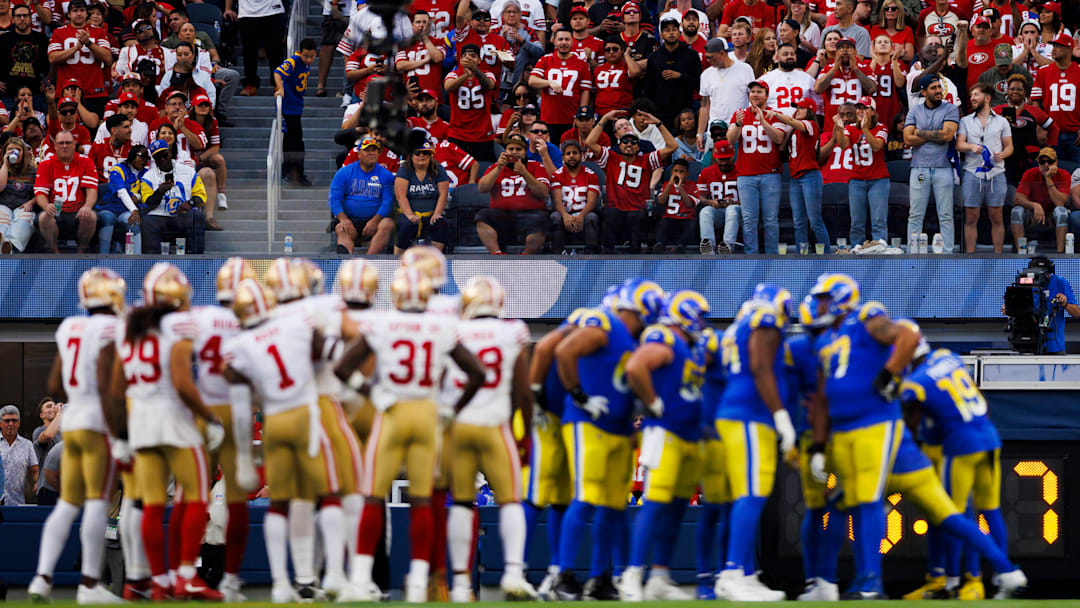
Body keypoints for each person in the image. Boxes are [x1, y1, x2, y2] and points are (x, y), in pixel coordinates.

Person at [333, 268, 485, 603]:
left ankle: (359, 578)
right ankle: (418, 581)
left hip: (393, 413)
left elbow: (342, 368)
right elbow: (477, 373)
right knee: (421, 500)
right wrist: (452, 409)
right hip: (428, 415)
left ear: (397, 295)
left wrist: (372, 393)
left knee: (372, 496)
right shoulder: (442, 326)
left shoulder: (381, 323)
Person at [108, 264, 225, 600]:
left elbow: (116, 389)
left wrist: (120, 436)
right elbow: (182, 380)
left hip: (140, 423)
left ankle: (155, 581)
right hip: (172, 419)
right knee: (197, 492)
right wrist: (209, 417)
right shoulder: (178, 325)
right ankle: (186, 574)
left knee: (151, 504)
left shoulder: (128, 327)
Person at [805, 273, 920, 599]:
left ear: (841, 296)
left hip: (873, 423)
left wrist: (888, 372)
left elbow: (909, 336)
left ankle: (872, 583)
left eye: (825, 297)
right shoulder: (826, 338)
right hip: (842, 430)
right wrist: (818, 444)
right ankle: (859, 580)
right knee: (849, 503)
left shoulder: (867, 316)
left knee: (868, 500)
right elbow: (823, 395)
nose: (819, 304)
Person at [551, 279, 665, 601]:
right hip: (588, 422)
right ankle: (564, 574)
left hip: (617, 426)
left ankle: (600, 578)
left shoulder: (630, 339)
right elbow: (564, 350)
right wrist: (579, 396)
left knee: (614, 505)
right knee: (587, 495)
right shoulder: (605, 322)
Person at [27, 268, 126, 604]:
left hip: (73, 421)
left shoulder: (70, 327)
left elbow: (55, 383)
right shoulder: (113, 328)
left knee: (68, 505)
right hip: (98, 422)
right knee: (98, 504)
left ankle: (41, 578)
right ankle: (88, 585)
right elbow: (113, 380)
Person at [442, 276, 538, 601]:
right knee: (511, 499)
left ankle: (458, 583)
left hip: (460, 424)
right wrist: (523, 432)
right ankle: (513, 572)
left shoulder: (453, 331)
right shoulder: (513, 331)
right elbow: (522, 392)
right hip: (495, 425)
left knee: (462, 503)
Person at [619, 291, 708, 601]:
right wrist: (652, 403)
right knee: (655, 504)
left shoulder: (689, 346)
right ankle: (631, 575)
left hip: (688, 435)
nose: (703, 322)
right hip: (665, 433)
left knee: (675, 508)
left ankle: (659, 575)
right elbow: (635, 367)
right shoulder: (665, 337)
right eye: (700, 315)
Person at [712, 284, 794, 601]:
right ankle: (733, 573)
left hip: (736, 412)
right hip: (749, 414)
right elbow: (760, 367)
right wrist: (781, 415)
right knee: (753, 493)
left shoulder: (737, 326)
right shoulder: (765, 319)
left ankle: (742, 572)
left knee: (744, 497)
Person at [585, 110, 677, 254]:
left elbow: (673, 146)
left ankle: (636, 258)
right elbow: (589, 142)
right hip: (615, 208)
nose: (629, 144)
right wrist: (603, 120)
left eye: (633, 142)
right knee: (610, 214)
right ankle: (606, 258)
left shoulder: (647, 160)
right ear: (619, 144)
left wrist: (658, 123)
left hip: (637, 209)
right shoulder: (611, 157)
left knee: (637, 217)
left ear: (638, 146)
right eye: (625, 141)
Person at [728, 80, 790, 254]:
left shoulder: (775, 114)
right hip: (746, 174)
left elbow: (779, 138)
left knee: (770, 219)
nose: (755, 94)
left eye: (759, 92)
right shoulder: (739, 115)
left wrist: (763, 120)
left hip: (770, 173)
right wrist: (738, 125)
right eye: (752, 91)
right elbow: (730, 140)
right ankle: (751, 255)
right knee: (749, 219)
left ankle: (772, 255)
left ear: (766, 95)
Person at [904, 74, 960, 254]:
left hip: (943, 168)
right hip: (919, 168)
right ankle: (913, 253)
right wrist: (934, 135)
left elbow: (947, 136)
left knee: (945, 214)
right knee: (915, 214)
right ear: (923, 91)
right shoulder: (914, 110)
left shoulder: (950, 109)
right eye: (934, 88)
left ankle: (948, 252)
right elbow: (907, 138)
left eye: (939, 87)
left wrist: (919, 132)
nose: (938, 91)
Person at [958, 82, 1013, 253]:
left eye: (976, 94)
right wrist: (971, 147)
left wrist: (1003, 154)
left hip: (996, 172)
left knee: (996, 216)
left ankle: (997, 255)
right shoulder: (965, 121)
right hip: (972, 172)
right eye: (972, 95)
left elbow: (1010, 146)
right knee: (971, 217)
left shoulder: (1002, 121)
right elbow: (959, 144)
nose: (972, 98)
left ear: (987, 98)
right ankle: (971, 255)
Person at [476, 133, 551, 255]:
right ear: (505, 151)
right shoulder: (495, 167)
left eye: (518, 149)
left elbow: (543, 192)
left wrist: (524, 173)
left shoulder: (536, 166)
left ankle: (526, 256)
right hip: (502, 216)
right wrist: (499, 167)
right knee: (482, 216)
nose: (514, 152)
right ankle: (497, 254)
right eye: (511, 149)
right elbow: (482, 188)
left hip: (530, 215)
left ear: (525, 152)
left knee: (542, 219)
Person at [776, 98, 831, 251]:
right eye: (797, 108)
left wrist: (777, 115)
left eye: (801, 108)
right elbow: (782, 148)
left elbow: (800, 125)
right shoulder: (794, 129)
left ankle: (826, 254)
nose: (798, 110)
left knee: (815, 220)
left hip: (809, 175)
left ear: (810, 111)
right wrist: (788, 127)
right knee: (798, 221)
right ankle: (803, 254)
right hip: (795, 177)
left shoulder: (811, 125)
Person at [136, 139, 206, 254]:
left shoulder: (188, 172)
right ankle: (152, 264)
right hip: (159, 217)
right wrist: (160, 192)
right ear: (154, 160)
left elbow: (201, 196)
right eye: (158, 157)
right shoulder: (148, 177)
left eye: (164, 155)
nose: (163, 159)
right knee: (146, 221)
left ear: (170, 153)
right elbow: (148, 203)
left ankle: (196, 259)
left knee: (197, 216)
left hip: (182, 216)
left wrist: (189, 204)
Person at [328, 135, 395, 254]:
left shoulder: (386, 175)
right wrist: (343, 219)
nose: (371, 153)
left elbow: (388, 202)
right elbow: (334, 199)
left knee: (388, 224)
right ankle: (345, 260)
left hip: (375, 220)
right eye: (367, 150)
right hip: (351, 220)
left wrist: (375, 221)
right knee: (341, 228)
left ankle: (368, 261)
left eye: (374, 150)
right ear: (359, 154)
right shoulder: (344, 173)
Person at [34, 130, 98, 253]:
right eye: (61, 143)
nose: (65, 146)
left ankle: (81, 252)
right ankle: (55, 252)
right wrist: (47, 206)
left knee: (90, 216)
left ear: (74, 144)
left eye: (68, 142)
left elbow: (92, 190)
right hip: (56, 211)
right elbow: (40, 193)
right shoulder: (45, 164)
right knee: (43, 217)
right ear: (55, 146)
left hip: (78, 210)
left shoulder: (86, 162)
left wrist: (87, 206)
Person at [47, 0, 112, 118]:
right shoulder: (59, 32)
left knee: (93, 130)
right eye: (75, 10)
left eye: (82, 10)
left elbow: (108, 59)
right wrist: (75, 48)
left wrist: (88, 43)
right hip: (66, 91)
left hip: (93, 91)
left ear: (87, 13)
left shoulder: (99, 31)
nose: (79, 13)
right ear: (69, 14)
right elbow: (52, 58)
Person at [840, 96, 891, 245]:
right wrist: (838, 128)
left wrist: (865, 129)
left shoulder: (882, 127)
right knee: (856, 222)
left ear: (873, 112)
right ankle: (857, 252)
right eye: (859, 108)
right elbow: (843, 145)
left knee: (879, 221)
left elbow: (876, 146)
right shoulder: (850, 128)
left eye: (865, 108)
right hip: (857, 180)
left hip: (878, 179)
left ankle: (879, 252)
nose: (860, 111)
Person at [529, 29, 593, 141]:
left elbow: (585, 91)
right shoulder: (546, 59)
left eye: (567, 39)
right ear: (554, 41)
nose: (564, 42)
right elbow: (532, 80)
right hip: (548, 118)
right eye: (560, 39)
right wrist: (549, 82)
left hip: (570, 118)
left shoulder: (581, 63)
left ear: (572, 41)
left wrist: (579, 116)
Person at [995, 74, 1056, 184]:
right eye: (1012, 89)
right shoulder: (997, 111)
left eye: (1019, 89)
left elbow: (1054, 128)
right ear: (1007, 91)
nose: (1015, 92)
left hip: (1030, 158)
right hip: (1006, 158)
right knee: (1009, 192)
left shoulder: (1034, 111)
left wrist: (1049, 149)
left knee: (1030, 189)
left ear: (1025, 92)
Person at [444, 43, 499, 162]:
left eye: (473, 56)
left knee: (485, 171)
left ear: (479, 60)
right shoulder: (454, 74)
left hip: (482, 135)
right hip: (458, 134)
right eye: (466, 56)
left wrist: (475, 71)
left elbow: (490, 85)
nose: (469, 59)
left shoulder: (487, 73)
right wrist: (465, 76)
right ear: (460, 59)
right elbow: (448, 87)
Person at [274, 38, 317, 186]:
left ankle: (295, 172)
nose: (309, 59)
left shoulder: (306, 65)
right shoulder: (293, 61)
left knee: (296, 141)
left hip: (297, 106)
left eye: (312, 56)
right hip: (287, 108)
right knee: (293, 141)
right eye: (306, 56)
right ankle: (291, 171)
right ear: (300, 52)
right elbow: (278, 73)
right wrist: (280, 88)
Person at [643, 17, 701, 128]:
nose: (671, 33)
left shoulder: (691, 55)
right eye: (667, 30)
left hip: (684, 113)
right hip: (661, 113)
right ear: (661, 35)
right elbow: (649, 87)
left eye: (674, 29)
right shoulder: (654, 57)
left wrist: (680, 76)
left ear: (679, 33)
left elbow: (699, 83)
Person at [394, 139, 450, 253]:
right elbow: (401, 196)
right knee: (407, 225)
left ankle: (434, 259)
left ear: (430, 156)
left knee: (441, 223)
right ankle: (398, 258)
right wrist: (410, 215)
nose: (422, 156)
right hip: (408, 213)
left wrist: (437, 213)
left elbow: (443, 194)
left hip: (431, 214)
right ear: (411, 155)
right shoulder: (404, 169)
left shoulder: (438, 169)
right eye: (418, 153)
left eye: (426, 153)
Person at [1031, 34, 1080, 163]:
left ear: (1069, 49)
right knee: (1053, 171)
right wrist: (1039, 127)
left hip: (1074, 133)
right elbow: (1035, 101)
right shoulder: (1043, 72)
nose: (1054, 49)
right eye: (1054, 46)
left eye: (1059, 46)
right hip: (1051, 131)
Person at [698, 38, 756, 146]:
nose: (708, 61)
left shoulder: (745, 69)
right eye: (707, 57)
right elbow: (705, 105)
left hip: (739, 127)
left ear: (721, 53)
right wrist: (700, 133)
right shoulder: (706, 74)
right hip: (715, 130)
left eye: (710, 57)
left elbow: (753, 99)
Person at [1012, 147, 1071, 252]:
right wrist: (1034, 205)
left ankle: (1060, 253)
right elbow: (1017, 199)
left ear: (1056, 162)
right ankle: (1020, 251)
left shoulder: (1064, 174)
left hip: (1052, 214)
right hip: (1033, 214)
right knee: (1016, 211)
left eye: (1050, 162)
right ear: (1038, 163)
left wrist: (1048, 179)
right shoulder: (1030, 173)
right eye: (1042, 162)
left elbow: (1060, 203)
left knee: (1061, 212)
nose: (1046, 165)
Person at [549, 140, 600, 254]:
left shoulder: (591, 174)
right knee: (555, 217)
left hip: (584, 213)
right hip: (564, 213)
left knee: (592, 217)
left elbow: (592, 201)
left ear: (581, 156)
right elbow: (556, 200)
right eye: (568, 153)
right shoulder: (556, 175)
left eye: (575, 153)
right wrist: (565, 215)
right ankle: (557, 255)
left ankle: (591, 256)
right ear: (563, 157)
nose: (571, 156)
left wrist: (581, 215)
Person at [96, 145, 148, 254]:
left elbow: (148, 193)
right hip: (110, 208)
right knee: (107, 218)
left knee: (133, 220)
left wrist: (137, 197)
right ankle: (103, 258)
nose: (145, 160)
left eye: (147, 157)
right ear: (133, 157)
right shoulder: (117, 170)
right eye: (142, 156)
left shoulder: (146, 173)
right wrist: (134, 209)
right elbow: (121, 192)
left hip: (125, 211)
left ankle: (137, 259)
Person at [815, 37, 877, 125]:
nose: (845, 51)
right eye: (840, 48)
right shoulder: (828, 69)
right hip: (832, 124)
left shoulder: (865, 68)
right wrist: (834, 68)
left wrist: (856, 69)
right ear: (836, 53)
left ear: (855, 52)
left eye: (848, 47)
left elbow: (872, 89)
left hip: (857, 125)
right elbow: (817, 89)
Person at [0, 3, 49, 113]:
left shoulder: (42, 40)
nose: (22, 19)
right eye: (18, 16)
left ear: (30, 18)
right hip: (9, 95)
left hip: (36, 94)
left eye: (25, 16)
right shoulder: (3, 40)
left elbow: (52, 63)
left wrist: (48, 79)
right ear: (13, 19)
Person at [230, 0, 285, 96]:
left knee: (275, 51)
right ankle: (251, 84)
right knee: (249, 51)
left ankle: (278, 83)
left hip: (272, 9)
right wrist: (228, 8)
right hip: (247, 12)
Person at [696, 140, 742, 254]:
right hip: (717, 211)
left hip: (739, 213)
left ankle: (727, 246)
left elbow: (751, 199)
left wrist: (735, 202)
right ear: (715, 157)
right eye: (721, 159)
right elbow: (699, 196)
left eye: (727, 159)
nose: (724, 163)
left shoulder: (741, 170)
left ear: (733, 156)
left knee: (731, 210)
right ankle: (708, 246)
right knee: (705, 211)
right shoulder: (706, 172)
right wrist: (710, 202)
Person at [653, 158, 700, 253]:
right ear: (671, 172)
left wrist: (680, 188)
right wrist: (670, 185)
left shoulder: (692, 185)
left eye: (681, 171)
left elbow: (689, 204)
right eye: (675, 171)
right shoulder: (666, 184)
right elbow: (661, 201)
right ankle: (659, 245)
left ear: (687, 174)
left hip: (686, 218)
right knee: (661, 224)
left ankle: (680, 246)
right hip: (669, 217)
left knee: (691, 226)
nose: (678, 174)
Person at [0, 137, 37, 253]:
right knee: (2, 220)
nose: (13, 152)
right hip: (3, 205)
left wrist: (31, 202)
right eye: (10, 149)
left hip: (22, 205)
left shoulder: (33, 171)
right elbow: (0, 187)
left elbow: (41, 192)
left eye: (17, 149)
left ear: (23, 153)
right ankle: (7, 247)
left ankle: (8, 245)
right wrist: (5, 165)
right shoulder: (1, 168)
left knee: (24, 220)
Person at [592, 36, 640, 118]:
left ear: (622, 50)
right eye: (607, 50)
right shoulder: (598, 69)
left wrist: (626, 55)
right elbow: (593, 93)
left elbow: (635, 73)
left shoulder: (627, 66)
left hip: (622, 114)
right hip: (601, 113)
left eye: (615, 49)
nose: (611, 52)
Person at [867, 34, 907, 131]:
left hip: (891, 108)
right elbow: (867, 85)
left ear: (891, 48)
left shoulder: (898, 64)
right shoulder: (867, 64)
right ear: (874, 48)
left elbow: (900, 83)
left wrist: (894, 60)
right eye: (879, 42)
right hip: (872, 108)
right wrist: (874, 59)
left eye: (886, 42)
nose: (883, 44)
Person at [760, 43, 816, 114]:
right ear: (777, 58)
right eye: (785, 54)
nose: (790, 56)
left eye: (792, 54)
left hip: (800, 122)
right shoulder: (766, 79)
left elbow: (818, 104)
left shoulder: (807, 78)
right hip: (774, 122)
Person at [1, 404, 38, 505]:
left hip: (16, 502)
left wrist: (37, 482)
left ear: (19, 423)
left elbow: (35, 470)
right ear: (0, 423)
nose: (11, 424)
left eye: (14, 420)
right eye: (7, 421)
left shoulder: (27, 445)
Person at [30, 398, 60, 469]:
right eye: (49, 406)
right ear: (42, 415)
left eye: (54, 406)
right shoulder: (39, 431)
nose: (54, 408)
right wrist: (59, 414)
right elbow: (48, 435)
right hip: (46, 479)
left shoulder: (64, 432)